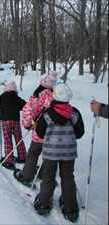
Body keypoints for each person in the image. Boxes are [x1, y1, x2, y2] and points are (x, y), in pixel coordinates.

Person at [33, 83, 84, 223]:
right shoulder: (74, 113)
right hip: (69, 152)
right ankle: (70, 207)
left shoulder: (47, 113)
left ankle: (43, 202)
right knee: (67, 176)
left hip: (51, 151)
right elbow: (80, 133)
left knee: (48, 176)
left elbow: (39, 133)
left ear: (54, 96)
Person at [13, 71, 58, 186]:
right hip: (53, 131)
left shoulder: (37, 95)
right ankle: (43, 173)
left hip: (40, 130)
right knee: (47, 154)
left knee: (33, 153)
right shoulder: (58, 96)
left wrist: (27, 124)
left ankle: (27, 175)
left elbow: (28, 111)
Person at [0, 81, 27, 170]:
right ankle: (22, 157)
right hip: (15, 120)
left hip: (5, 121)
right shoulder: (16, 97)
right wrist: (17, 107)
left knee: (7, 140)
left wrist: (1, 106)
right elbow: (25, 106)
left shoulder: (2, 96)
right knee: (18, 138)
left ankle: (9, 159)